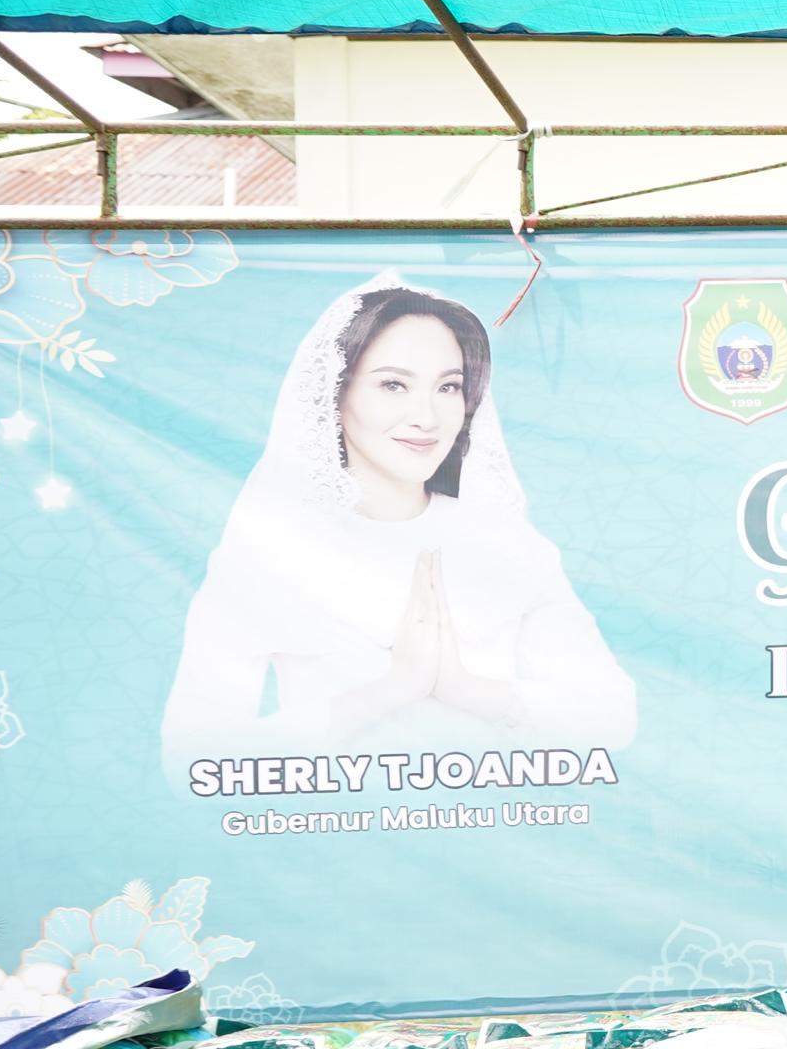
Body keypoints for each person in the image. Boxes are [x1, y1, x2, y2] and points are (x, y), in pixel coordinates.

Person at [160, 277, 639, 763]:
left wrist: (467, 690)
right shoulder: (269, 554)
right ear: (333, 394)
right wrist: (391, 690)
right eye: (393, 385)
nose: (426, 417)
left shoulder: (505, 542)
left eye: (448, 387)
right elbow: (191, 760)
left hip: (495, 807)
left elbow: (614, 715)